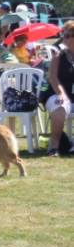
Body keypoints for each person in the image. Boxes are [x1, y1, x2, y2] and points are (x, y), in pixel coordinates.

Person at [44, 21, 74, 156]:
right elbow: (53, 78)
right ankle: (54, 146)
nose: (64, 38)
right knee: (60, 108)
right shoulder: (58, 55)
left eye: (68, 36)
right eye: (64, 35)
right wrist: (61, 94)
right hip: (56, 93)